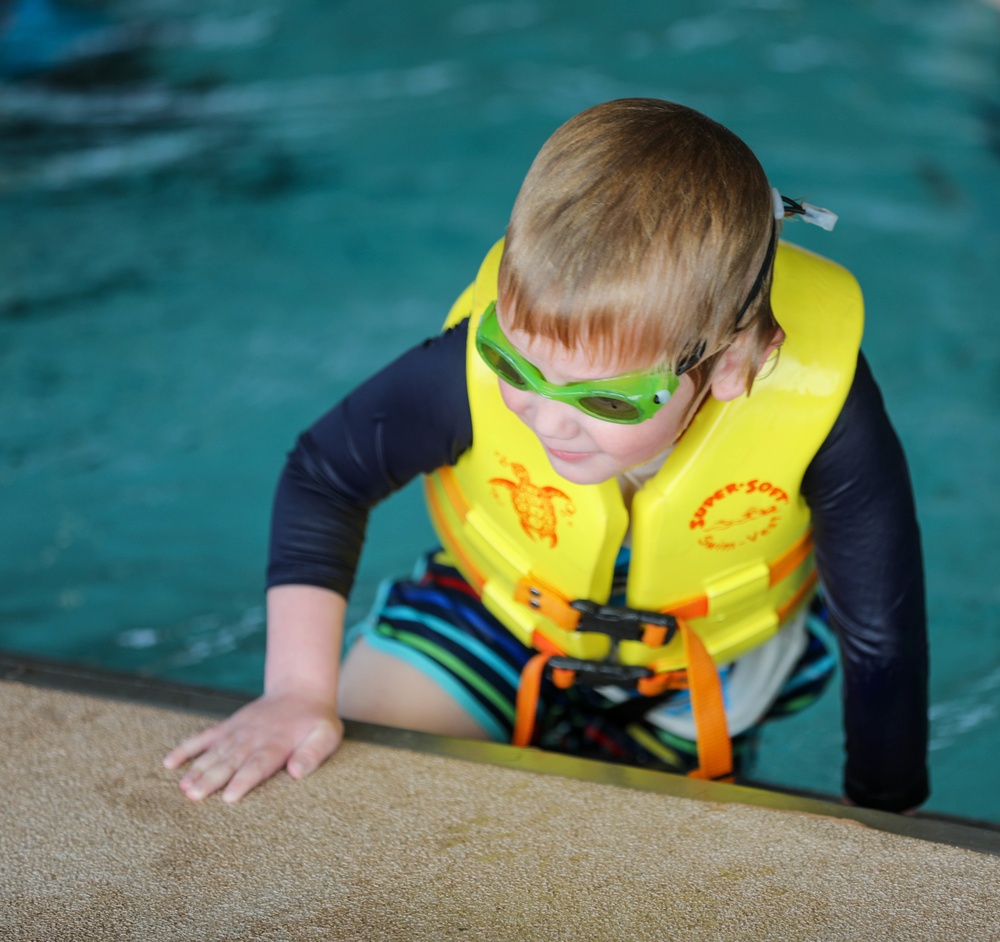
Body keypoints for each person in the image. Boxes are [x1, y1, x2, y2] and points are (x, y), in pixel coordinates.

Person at [164, 98, 928, 813]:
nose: (545, 420)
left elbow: (881, 633)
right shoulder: (461, 373)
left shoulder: (823, 409)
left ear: (735, 363)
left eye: (607, 399)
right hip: (495, 609)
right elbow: (324, 476)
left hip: (706, 660)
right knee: (347, 792)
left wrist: (883, 818)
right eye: (515, 363)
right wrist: (295, 690)